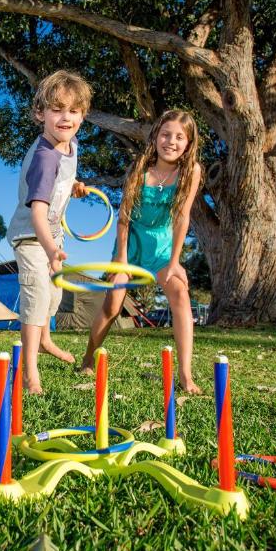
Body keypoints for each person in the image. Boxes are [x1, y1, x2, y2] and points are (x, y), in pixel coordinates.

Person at [78, 110, 203, 394]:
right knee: (112, 306)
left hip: (162, 247)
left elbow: (183, 217)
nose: (171, 142)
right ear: (156, 136)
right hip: (131, 243)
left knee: (181, 295)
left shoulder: (191, 171)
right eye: (165, 134)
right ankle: (88, 358)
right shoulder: (140, 168)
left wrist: (174, 262)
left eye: (179, 137)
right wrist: (121, 257)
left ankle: (185, 374)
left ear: (188, 142)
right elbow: (123, 215)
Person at [4, 70, 92, 394]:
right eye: (57, 109)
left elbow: (62, 182)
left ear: (82, 115)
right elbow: (39, 212)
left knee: (55, 295)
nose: (65, 117)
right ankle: (29, 372)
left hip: (52, 236)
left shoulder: (70, 145)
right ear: (40, 113)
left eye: (73, 110)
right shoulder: (44, 158)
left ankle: (45, 340)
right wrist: (51, 250)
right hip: (31, 236)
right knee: (38, 294)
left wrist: (75, 187)